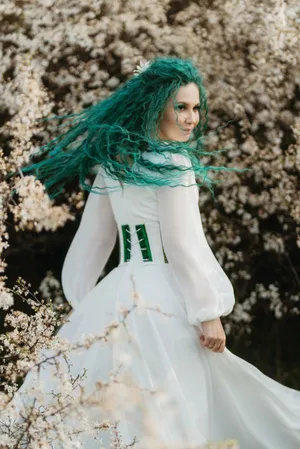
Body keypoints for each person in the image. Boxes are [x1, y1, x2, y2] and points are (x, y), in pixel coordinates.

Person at [9, 57, 300, 448]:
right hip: (163, 298)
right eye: (181, 106)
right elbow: (182, 244)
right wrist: (206, 310)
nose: (191, 117)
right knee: (177, 407)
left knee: (105, 411)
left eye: (196, 108)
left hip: (116, 296)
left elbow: (92, 242)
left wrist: (85, 304)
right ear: (156, 106)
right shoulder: (174, 163)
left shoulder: (113, 165)